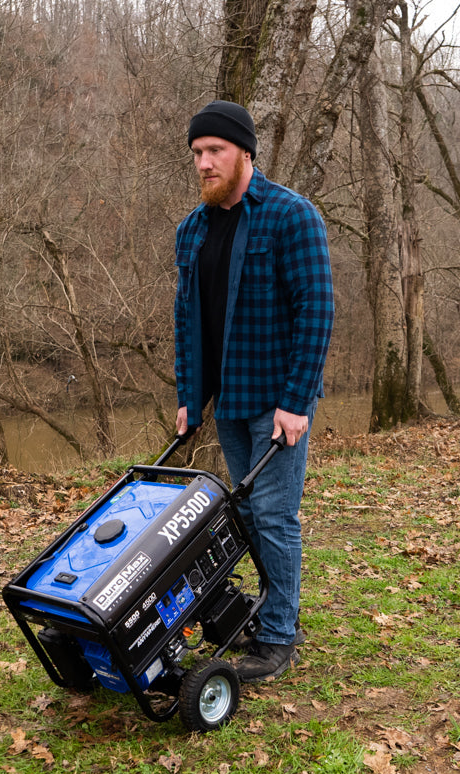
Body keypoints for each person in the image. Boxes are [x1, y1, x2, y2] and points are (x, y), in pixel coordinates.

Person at [174, 100, 334, 682]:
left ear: (245, 152)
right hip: (229, 400)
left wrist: (296, 401)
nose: (204, 163)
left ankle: (277, 636)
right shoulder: (191, 230)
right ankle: (265, 611)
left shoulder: (290, 216)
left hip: (277, 396)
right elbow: (186, 321)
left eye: (214, 150)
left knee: (273, 515)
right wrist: (189, 394)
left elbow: (316, 310)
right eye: (197, 153)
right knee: (242, 513)